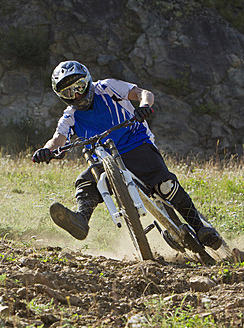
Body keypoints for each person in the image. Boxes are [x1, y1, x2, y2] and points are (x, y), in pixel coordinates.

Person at [32, 60, 222, 250]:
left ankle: (200, 228)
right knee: (85, 182)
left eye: (79, 87)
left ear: (88, 81)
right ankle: (80, 220)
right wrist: (46, 151)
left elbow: (143, 93)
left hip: (136, 145)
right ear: (62, 96)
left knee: (165, 186)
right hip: (106, 161)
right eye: (68, 92)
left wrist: (144, 105)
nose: (77, 95)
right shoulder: (70, 116)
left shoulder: (107, 87)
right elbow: (57, 139)